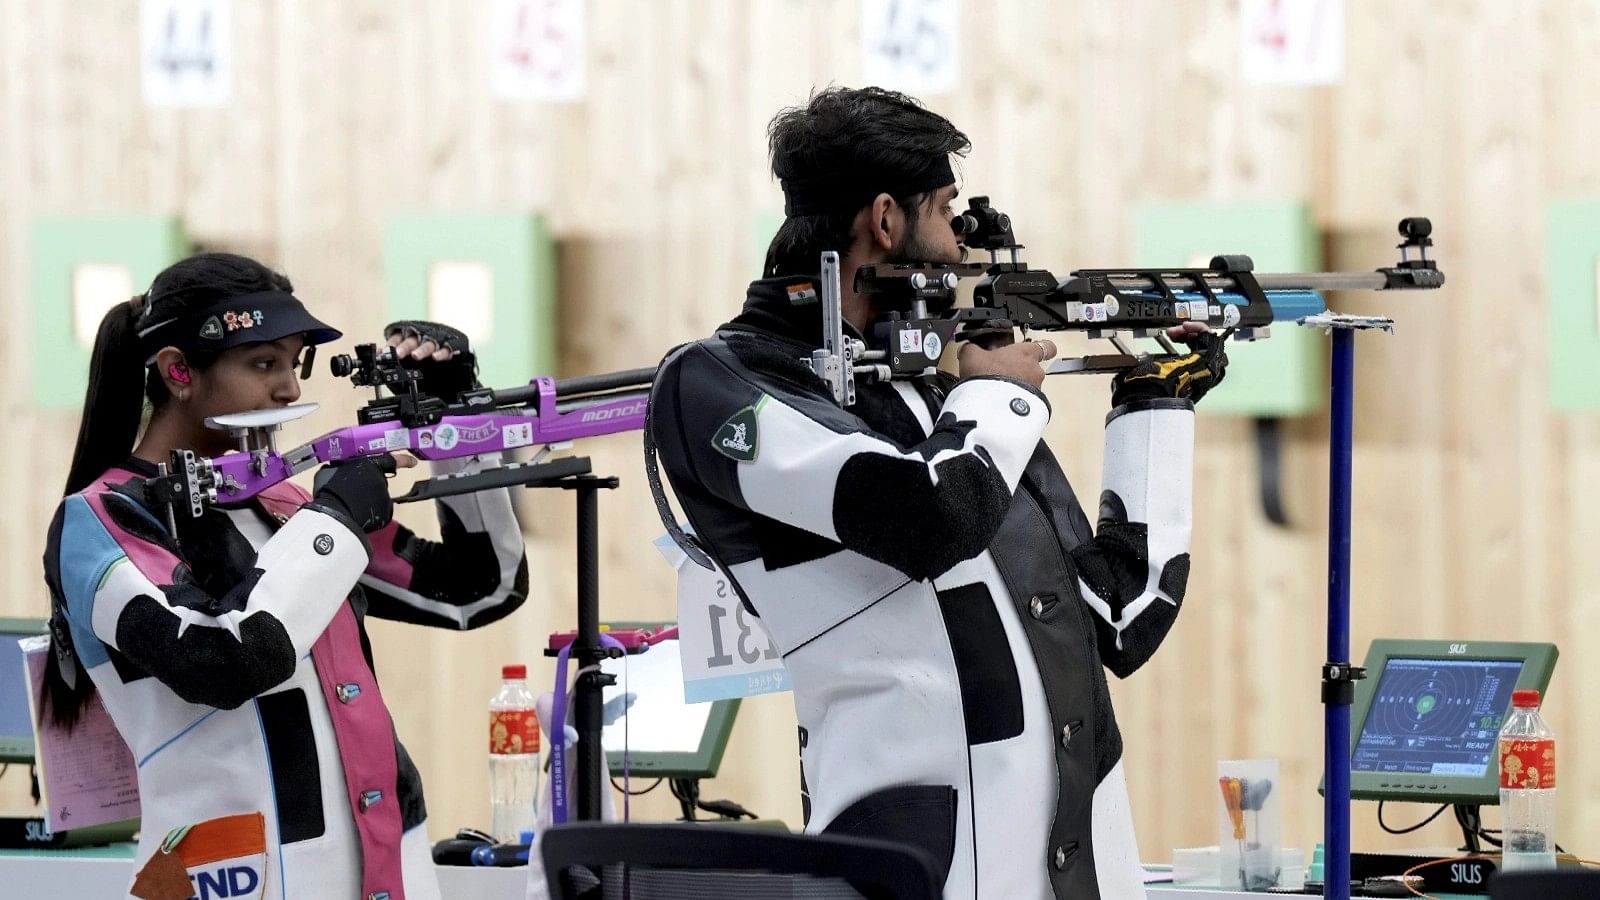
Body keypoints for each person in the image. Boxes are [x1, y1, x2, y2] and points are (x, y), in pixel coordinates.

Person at [647, 87, 1227, 900]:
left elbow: (1118, 617)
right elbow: (926, 521)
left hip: (1083, 861)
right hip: (919, 861)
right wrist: (999, 398)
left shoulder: (943, 405)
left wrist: (1154, 409)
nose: (959, 246)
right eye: (948, 212)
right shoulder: (716, 383)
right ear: (886, 220)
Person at [41, 253, 529, 900]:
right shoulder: (102, 521)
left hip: (387, 862)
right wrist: (335, 519)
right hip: (234, 876)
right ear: (180, 372)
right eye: (263, 364)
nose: (290, 390)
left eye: (294, 363)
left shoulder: (285, 508)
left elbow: (478, 587)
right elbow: (223, 660)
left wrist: (453, 424)